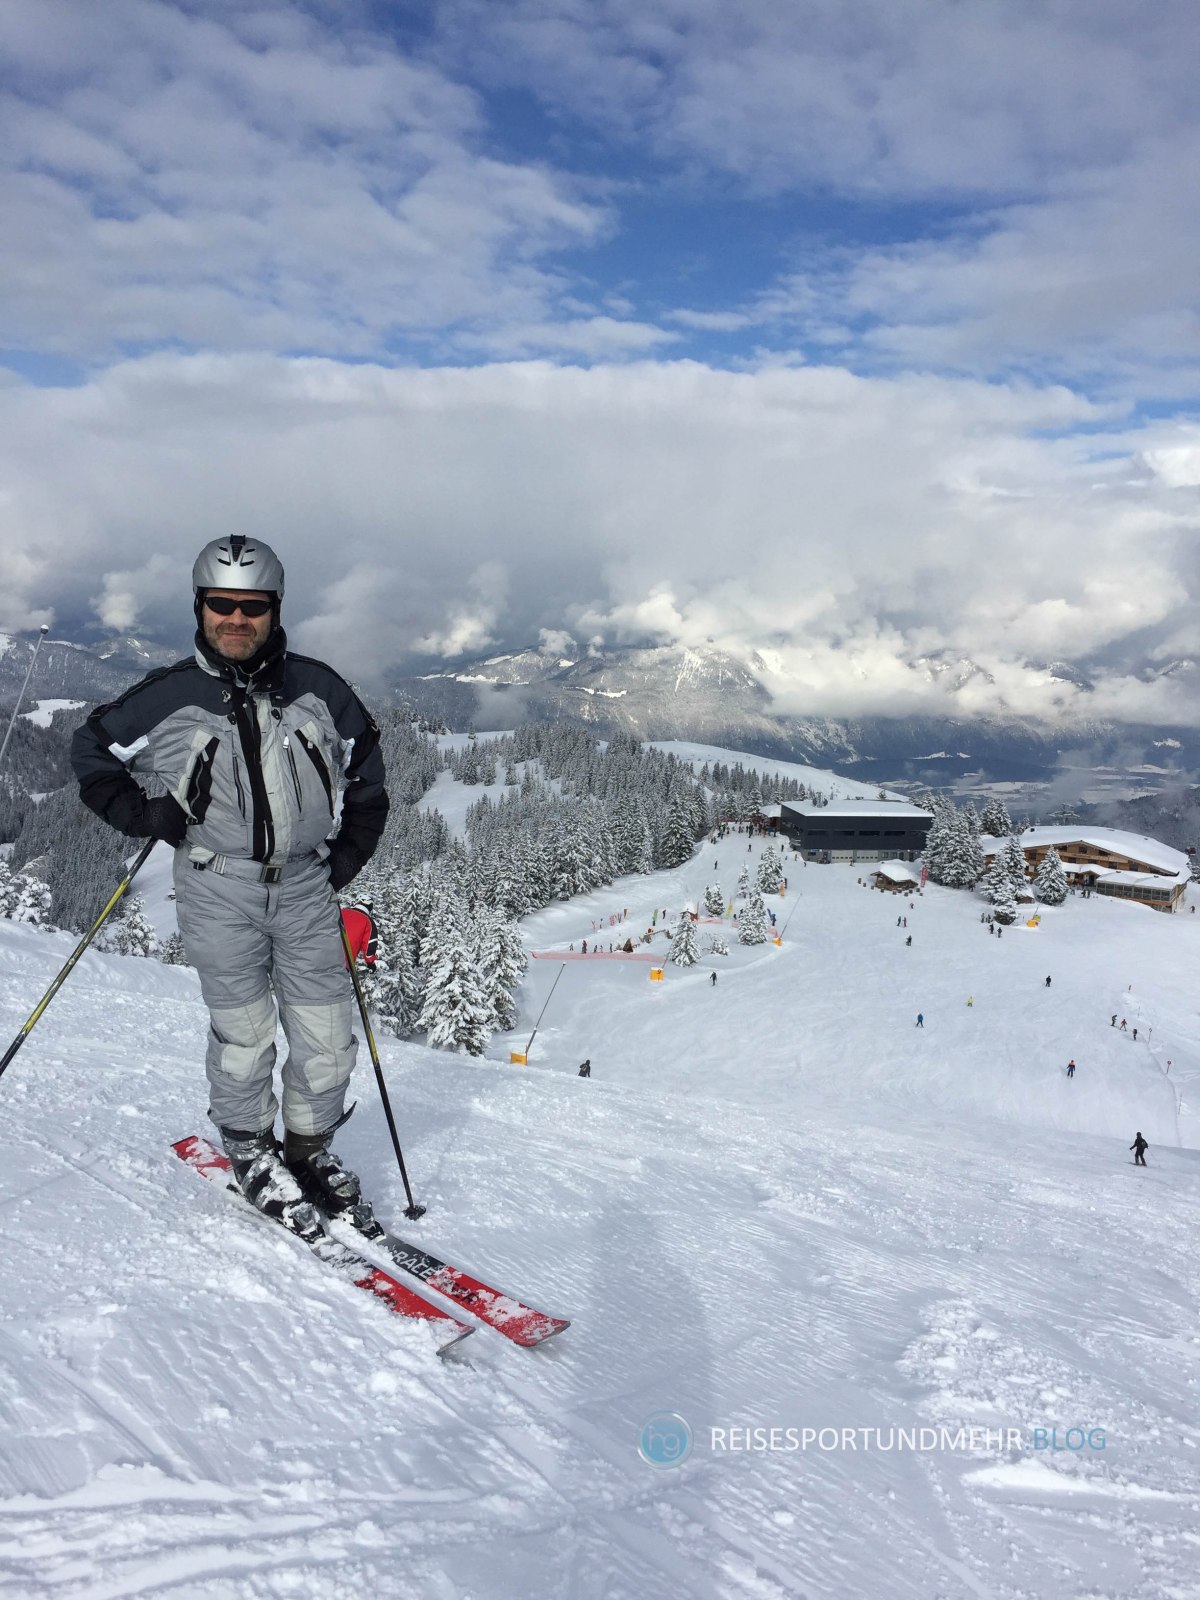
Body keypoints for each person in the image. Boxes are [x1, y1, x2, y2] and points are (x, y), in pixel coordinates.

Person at [71, 536, 388, 1235]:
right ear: (201, 605)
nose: (236, 619)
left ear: (274, 610)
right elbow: (89, 746)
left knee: (328, 1035)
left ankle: (307, 1152)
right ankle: (249, 1147)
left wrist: (346, 857)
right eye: (223, 604)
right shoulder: (173, 692)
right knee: (245, 1034)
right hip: (217, 886)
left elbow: (369, 770)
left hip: (306, 886)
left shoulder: (319, 687)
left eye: (252, 606)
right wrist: (137, 812)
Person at [341, 901, 378, 968]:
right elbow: (370, 945)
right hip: (342, 961)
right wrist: (370, 963)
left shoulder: (341, 911)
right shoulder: (368, 922)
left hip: (320, 951)